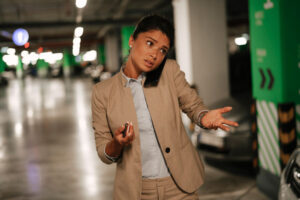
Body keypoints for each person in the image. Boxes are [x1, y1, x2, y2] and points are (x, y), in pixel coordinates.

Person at [92, 14, 238, 200]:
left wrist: (203, 116)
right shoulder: (102, 91)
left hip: (179, 186)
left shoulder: (169, 71)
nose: (155, 54)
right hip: (137, 191)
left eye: (163, 50)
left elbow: (192, 104)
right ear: (132, 40)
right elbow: (103, 152)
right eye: (150, 43)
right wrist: (117, 143)